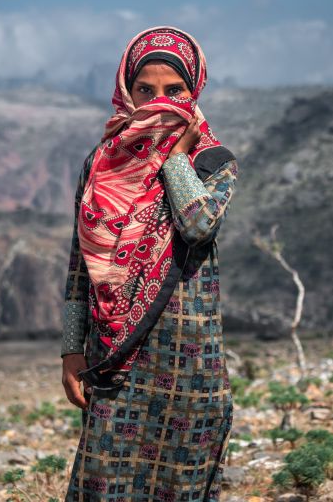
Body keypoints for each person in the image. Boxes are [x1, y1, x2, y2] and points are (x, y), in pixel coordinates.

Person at [60, 25, 238, 501]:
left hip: (190, 365)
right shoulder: (101, 162)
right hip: (115, 357)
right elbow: (81, 263)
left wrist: (175, 158)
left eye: (173, 90)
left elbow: (199, 225)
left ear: (193, 88)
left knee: (181, 486)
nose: (160, 101)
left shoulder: (213, 161)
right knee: (103, 484)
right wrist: (69, 350)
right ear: (127, 91)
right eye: (146, 90)